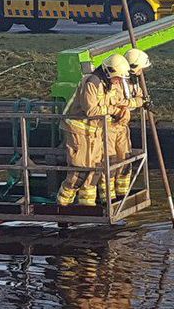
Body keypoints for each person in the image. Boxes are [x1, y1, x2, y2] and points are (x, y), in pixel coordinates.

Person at [55, 54, 131, 207]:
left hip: (95, 131)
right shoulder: (92, 82)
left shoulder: (107, 83)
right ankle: (62, 206)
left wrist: (128, 106)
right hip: (78, 130)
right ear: (109, 72)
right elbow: (91, 110)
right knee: (80, 171)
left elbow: (113, 101)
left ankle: (86, 206)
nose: (118, 81)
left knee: (95, 169)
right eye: (117, 78)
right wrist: (115, 111)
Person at [106, 48, 151, 199]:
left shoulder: (132, 82)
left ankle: (122, 195)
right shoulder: (115, 81)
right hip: (109, 126)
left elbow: (137, 95)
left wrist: (144, 101)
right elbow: (117, 102)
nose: (142, 72)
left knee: (125, 160)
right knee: (111, 162)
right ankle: (108, 198)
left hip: (122, 127)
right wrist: (136, 102)